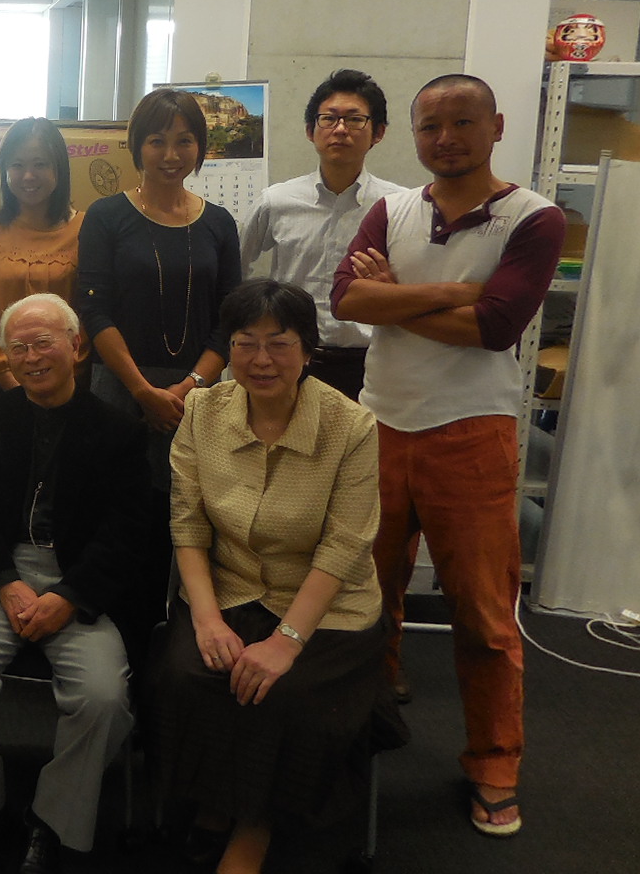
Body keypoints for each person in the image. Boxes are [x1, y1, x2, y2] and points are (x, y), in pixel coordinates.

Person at [333, 73, 564, 837]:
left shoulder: (534, 218)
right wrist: (454, 294)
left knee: (485, 614)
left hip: (472, 432)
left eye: (463, 123)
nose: (446, 138)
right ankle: (367, 720)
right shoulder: (391, 209)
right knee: (364, 596)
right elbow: (346, 300)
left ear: (496, 126)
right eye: (431, 126)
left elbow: (496, 329)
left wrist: (396, 299)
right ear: (413, 135)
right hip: (378, 427)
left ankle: (495, 763)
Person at [156, 279, 401, 874]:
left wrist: (286, 642)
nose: (261, 359)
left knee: (282, 691)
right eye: (245, 343)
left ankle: (255, 826)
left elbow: (344, 547)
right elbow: (188, 523)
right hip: (232, 587)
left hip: (325, 606)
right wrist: (206, 620)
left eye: (279, 343)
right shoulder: (203, 412)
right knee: (189, 673)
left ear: (308, 351)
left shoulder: (350, 427)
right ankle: (216, 801)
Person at [0, 294, 149, 874]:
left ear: (76, 347)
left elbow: (128, 532)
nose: (32, 357)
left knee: (103, 697)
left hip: (79, 584)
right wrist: (5, 582)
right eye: (19, 347)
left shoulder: (119, 431)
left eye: (44, 343)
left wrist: (70, 596)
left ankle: (51, 820)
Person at [75, 86, 241, 663]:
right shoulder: (106, 216)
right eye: (157, 141)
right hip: (120, 391)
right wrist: (142, 391)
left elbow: (229, 321)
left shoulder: (219, 223)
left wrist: (190, 387)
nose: (171, 154)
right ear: (135, 146)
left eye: (184, 141)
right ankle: (109, 651)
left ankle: (170, 655)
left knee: (186, 524)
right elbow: (94, 311)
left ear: (200, 147)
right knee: (120, 521)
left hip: (196, 397)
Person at [240, 70, 402, 400]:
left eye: (354, 119)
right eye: (328, 118)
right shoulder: (277, 201)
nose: (340, 129)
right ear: (310, 130)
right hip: (291, 361)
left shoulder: (397, 206)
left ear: (378, 132)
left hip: (371, 363)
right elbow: (235, 266)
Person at [0, 117, 86, 395]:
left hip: (66, 388)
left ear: (59, 168)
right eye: (17, 165)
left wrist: (61, 375)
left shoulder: (85, 229)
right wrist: (8, 379)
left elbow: (91, 312)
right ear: (4, 170)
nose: (28, 176)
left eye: (40, 164)